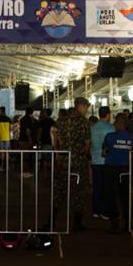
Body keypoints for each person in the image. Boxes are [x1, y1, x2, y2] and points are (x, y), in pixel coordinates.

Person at [53, 97, 91, 231]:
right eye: (86, 107)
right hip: (78, 161)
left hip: (64, 160)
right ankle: (77, 223)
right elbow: (87, 143)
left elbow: (56, 138)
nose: (86, 110)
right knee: (79, 192)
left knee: (59, 191)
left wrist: (58, 153)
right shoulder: (83, 121)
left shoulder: (61, 120)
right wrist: (84, 155)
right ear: (81, 106)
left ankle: (52, 221)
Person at [102, 113, 133, 234]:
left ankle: (114, 223)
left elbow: (104, 152)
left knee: (111, 196)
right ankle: (127, 223)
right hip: (125, 169)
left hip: (111, 168)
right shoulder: (131, 137)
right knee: (125, 197)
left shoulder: (109, 136)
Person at [90, 106, 114, 221]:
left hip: (95, 160)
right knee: (106, 187)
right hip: (106, 160)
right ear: (108, 115)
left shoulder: (93, 128)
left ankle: (96, 210)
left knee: (97, 186)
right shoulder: (110, 128)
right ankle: (103, 211)